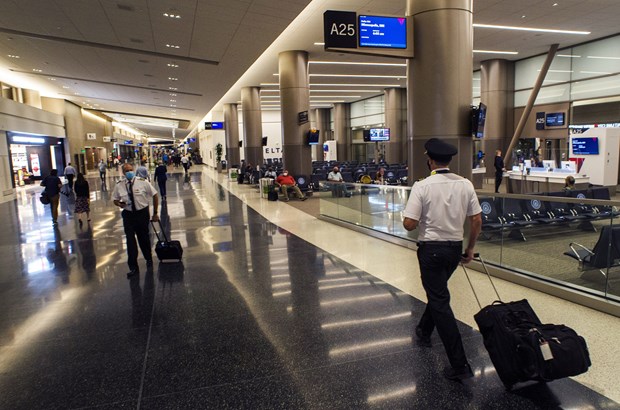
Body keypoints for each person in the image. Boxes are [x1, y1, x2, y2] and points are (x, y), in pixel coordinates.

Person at [402, 138, 482, 381]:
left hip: (431, 250)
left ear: (430, 161)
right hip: (453, 249)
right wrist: (469, 249)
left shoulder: (422, 186)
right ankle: (424, 331)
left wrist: (410, 217)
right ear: (449, 160)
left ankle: (460, 364)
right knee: (438, 293)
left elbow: (409, 224)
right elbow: (476, 220)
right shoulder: (465, 184)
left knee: (439, 300)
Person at [112, 163, 159, 278]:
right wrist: (119, 203)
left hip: (142, 213)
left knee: (144, 238)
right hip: (128, 215)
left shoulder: (142, 182)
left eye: (130, 170)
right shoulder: (119, 185)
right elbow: (115, 199)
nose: (129, 172)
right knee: (130, 241)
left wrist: (155, 213)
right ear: (123, 173)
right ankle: (133, 267)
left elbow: (155, 195)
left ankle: (148, 258)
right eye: (127, 171)